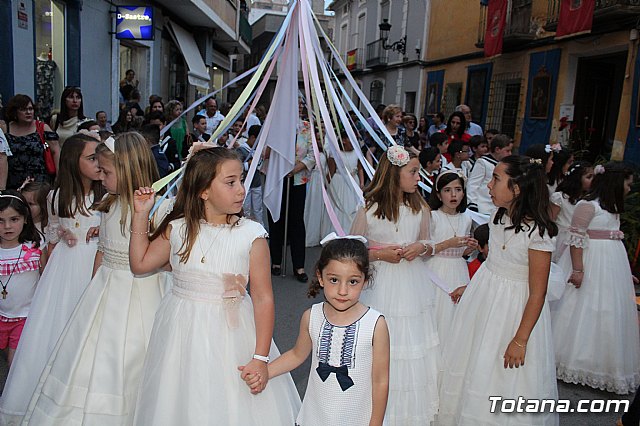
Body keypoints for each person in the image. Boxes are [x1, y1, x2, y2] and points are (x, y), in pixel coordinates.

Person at [129, 147, 301, 425]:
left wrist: (260, 357)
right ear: (203, 190)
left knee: (227, 403)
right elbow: (140, 264)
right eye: (231, 182)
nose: (241, 189)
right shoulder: (178, 228)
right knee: (183, 398)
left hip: (231, 335)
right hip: (181, 331)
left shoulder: (251, 235)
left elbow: (263, 298)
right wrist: (140, 215)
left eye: (241, 180)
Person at [23, 133, 169, 424]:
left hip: (142, 293)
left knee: (132, 359)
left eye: (107, 171)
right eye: (100, 170)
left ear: (127, 169)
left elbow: (162, 257)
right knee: (92, 359)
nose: (101, 177)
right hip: (106, 291)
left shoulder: (157, 209)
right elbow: (101, 253)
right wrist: (92, 291)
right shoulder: (109, 206)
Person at [438, 155, 559, 425]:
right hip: (484, 299)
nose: (489, 186)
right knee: (474, 362)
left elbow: (538, 293)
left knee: (502, 375)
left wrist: (520, 340)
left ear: (516, 189)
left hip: (515, 311)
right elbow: (493, 264)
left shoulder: (538, 233)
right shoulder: (497, 216)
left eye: (496, 179)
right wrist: (469, 288)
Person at [0, 134, 104, 423]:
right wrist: (60, 236)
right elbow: (52, 234)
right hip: (66, 268)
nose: (98, 163)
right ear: (74, 161)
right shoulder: (56, 196)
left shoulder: (105, 195)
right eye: (91, 158)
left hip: (96, 263)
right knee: (55, 326)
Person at [350, 145, 441, 424]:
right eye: (413, 172)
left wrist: (420, 248)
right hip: (379, 286)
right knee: (377, 345)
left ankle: (404, 412)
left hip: (411, 286)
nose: (418, 178)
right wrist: (379, 254)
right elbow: (351, 252)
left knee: (409, 344)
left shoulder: (421, 208)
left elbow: (428, 243)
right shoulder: (369, 209)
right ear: (394, 174)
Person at [263, 235, 390, 426]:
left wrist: (376, 424)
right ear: (321, 277)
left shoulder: (375, 324)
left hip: (356, 417)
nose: (342, 290)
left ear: (365, 281)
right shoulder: (311, 316)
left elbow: (381, 381)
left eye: (353, 282)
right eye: (334, 280)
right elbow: (297, 355)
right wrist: (265, 372)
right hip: (317, 414)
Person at [552, 162, 640, 395]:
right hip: (590, 264)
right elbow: (576, 239)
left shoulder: (612, 209)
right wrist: (578, 270)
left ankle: (602, 364)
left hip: (610, 266)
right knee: (581, 309)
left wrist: (623, 271)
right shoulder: (587, 205)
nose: (629, 189)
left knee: (608, 313)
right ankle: (572, 360)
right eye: (627, 184)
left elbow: (612, 241)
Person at [426, 170, 475, 344]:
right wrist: (449, 243)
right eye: (447, 190)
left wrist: (468, 249)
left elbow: (460, 252)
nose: (453, 195)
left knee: (456, 315)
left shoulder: (466, 218)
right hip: (436, 270)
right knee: (439, 312)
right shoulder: (433, 217)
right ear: (438, 195)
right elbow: (425, 250)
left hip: (459, 270)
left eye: (458, 189)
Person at [268, 108, 315, 282]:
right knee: (276, 220)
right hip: (277, 179)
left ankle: (299, 266)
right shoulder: (274, 127)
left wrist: (296, 168)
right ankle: (276, 261)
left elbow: (313, 154)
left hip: (297, 180)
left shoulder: (306, 127)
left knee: (296, 221)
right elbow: (266, 152)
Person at [0, 191, 43, 369]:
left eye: (14, 219)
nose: (7, 226)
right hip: (1, 315)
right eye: (0, 221)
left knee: (14, 364)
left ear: (25, 218)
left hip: (25, 316)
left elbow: (45, 277)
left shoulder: (35, 247)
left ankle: (11, 396)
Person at [5, 94, 60, 189]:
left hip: (39, 181)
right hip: (12, 182)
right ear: (15, 112)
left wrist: (59, 177)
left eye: (31, 109)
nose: (28, 112)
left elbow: (56, 151)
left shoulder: (42, 127)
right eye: (23, 109)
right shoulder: (6, 128)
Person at [549, 161, 593, 263]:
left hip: (578, 239)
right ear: (577, 178)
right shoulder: (560, 197)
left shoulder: (587, 201)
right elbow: (550, 220)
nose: (593, 181)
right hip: (561, 238)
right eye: (589, 177)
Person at [327, 132, 364, 233]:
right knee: (339, 206)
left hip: (353, 182)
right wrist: (327, 186)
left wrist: (361, 183)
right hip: (339, 182)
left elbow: (360, 168)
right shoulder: (335, 153)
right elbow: (331, 171)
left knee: (353, 206)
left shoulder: (357, 152)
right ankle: (338, 231)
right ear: (343, 140)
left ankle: (353, 230)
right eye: (350, 139)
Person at [466, 134, 513, 214]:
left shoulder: (504, 165)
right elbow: (473, 184)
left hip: (496, 208)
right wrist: (472, 203)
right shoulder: (483, 162)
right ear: (497, 149)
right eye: (507, 151)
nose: (510, 154)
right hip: (482, 208)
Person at [304, 129, 331, 247]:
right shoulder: (312, 153)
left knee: (322, 208)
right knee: (312, 206)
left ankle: (321, 232)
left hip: (322, 181)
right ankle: (311, 233)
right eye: (318, 139)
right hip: (313, 181)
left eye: (322, 138)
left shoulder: (326, 153)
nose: (320, 141)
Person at [236, 125, 265, 226]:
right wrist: (251, 162)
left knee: (258, 209)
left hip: (256, 183)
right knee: (246, 209)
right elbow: (239, 167)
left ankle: (261, 230)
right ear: (252, 137)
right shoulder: (241, 149)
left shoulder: (258, 150)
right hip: (246, 184)